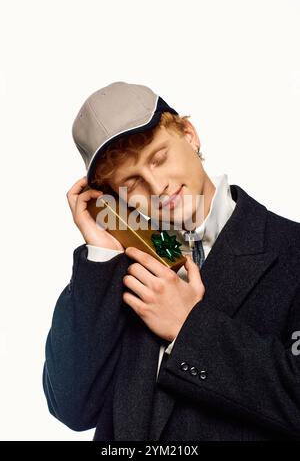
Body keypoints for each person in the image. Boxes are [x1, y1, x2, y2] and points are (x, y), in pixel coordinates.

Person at [43, 81, 300, 441]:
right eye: (131, 183)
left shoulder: (292, 249)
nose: (156, 184)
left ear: (190, 135)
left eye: (159, 157)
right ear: (113, 199)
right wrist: (101, 253)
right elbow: (72, 406)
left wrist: (189, 327)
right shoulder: (111, 274)